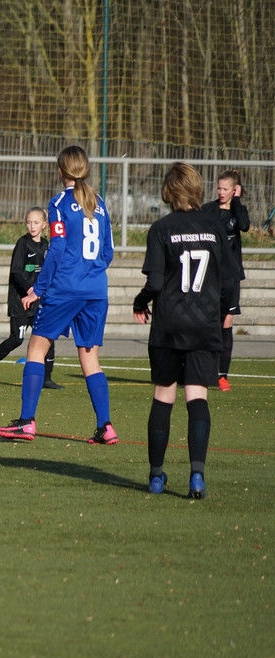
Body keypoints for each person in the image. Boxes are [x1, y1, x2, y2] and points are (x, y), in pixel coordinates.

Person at [133, 162, 240, 498]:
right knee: (197, 397)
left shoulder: (161, 229)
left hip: (169, 326)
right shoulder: (214, 228)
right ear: (196, 189)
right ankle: (197, 476)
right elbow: (229, 282)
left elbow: (154, 282)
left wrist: (140, 302)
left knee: (163, 397)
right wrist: (220, 312)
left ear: (168, 192)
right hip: (203, 325)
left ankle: (155, 476)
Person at [0, 145, 116, 443]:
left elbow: (58, 247)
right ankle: (106, 426)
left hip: (65, 288)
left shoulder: (59, 202)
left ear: (61, 170)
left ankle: (26, 422)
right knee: (90, 358)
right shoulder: (99, 203)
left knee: (36, 349)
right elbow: (108, 251)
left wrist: (39, 288)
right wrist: (91, 273)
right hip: (96, 290)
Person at [0, 207, 61, 389]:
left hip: (40, 302)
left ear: (44, 225)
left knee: (47, 337)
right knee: (17, 339)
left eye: (36, 222)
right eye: (29, 222)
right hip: (21, 302)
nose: (32, 226)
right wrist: (30, 290)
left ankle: (46, 378)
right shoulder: (22, 244)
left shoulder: (47, 246)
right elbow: (16, 272)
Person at [201, 170, 249, 392]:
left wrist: (237, 201)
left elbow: (245, 225)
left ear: (234, 189)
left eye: (226, 189)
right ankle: (203, 371)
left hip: (231, 277)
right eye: (219, 188)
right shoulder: (208, 210)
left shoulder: (238, 211)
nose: (221, 192)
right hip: (210, 275)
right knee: (207, 323)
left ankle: (222, 376)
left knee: (226, 323)